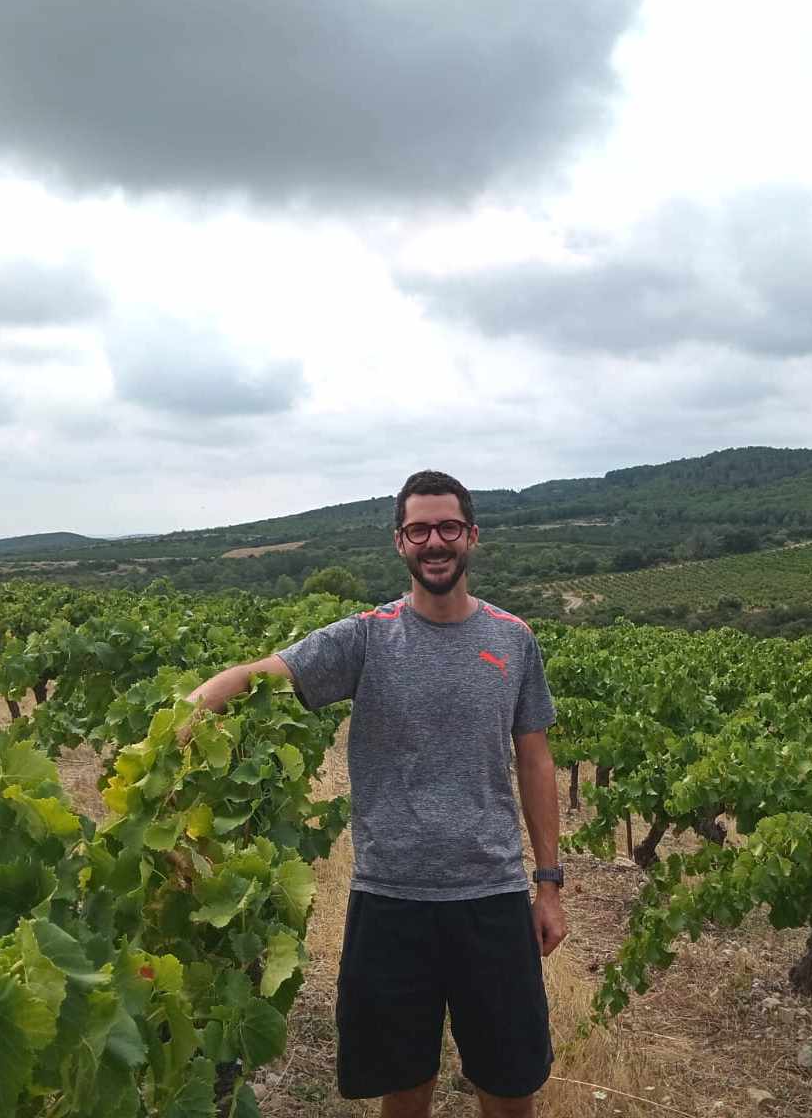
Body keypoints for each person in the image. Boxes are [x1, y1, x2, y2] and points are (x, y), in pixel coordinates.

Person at [187, 470, 567, 1118]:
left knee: (509, 1089)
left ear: (472, 535)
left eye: (448, 527)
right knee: (403, 1086)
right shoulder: (365, 637)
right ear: (399, 542)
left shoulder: (513, 638)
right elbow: (259, 675)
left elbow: (535, 760)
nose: (434, 542)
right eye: (419, 530)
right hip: (391, 899)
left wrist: (549, 884)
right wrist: (182, 721)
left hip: (493, 897)